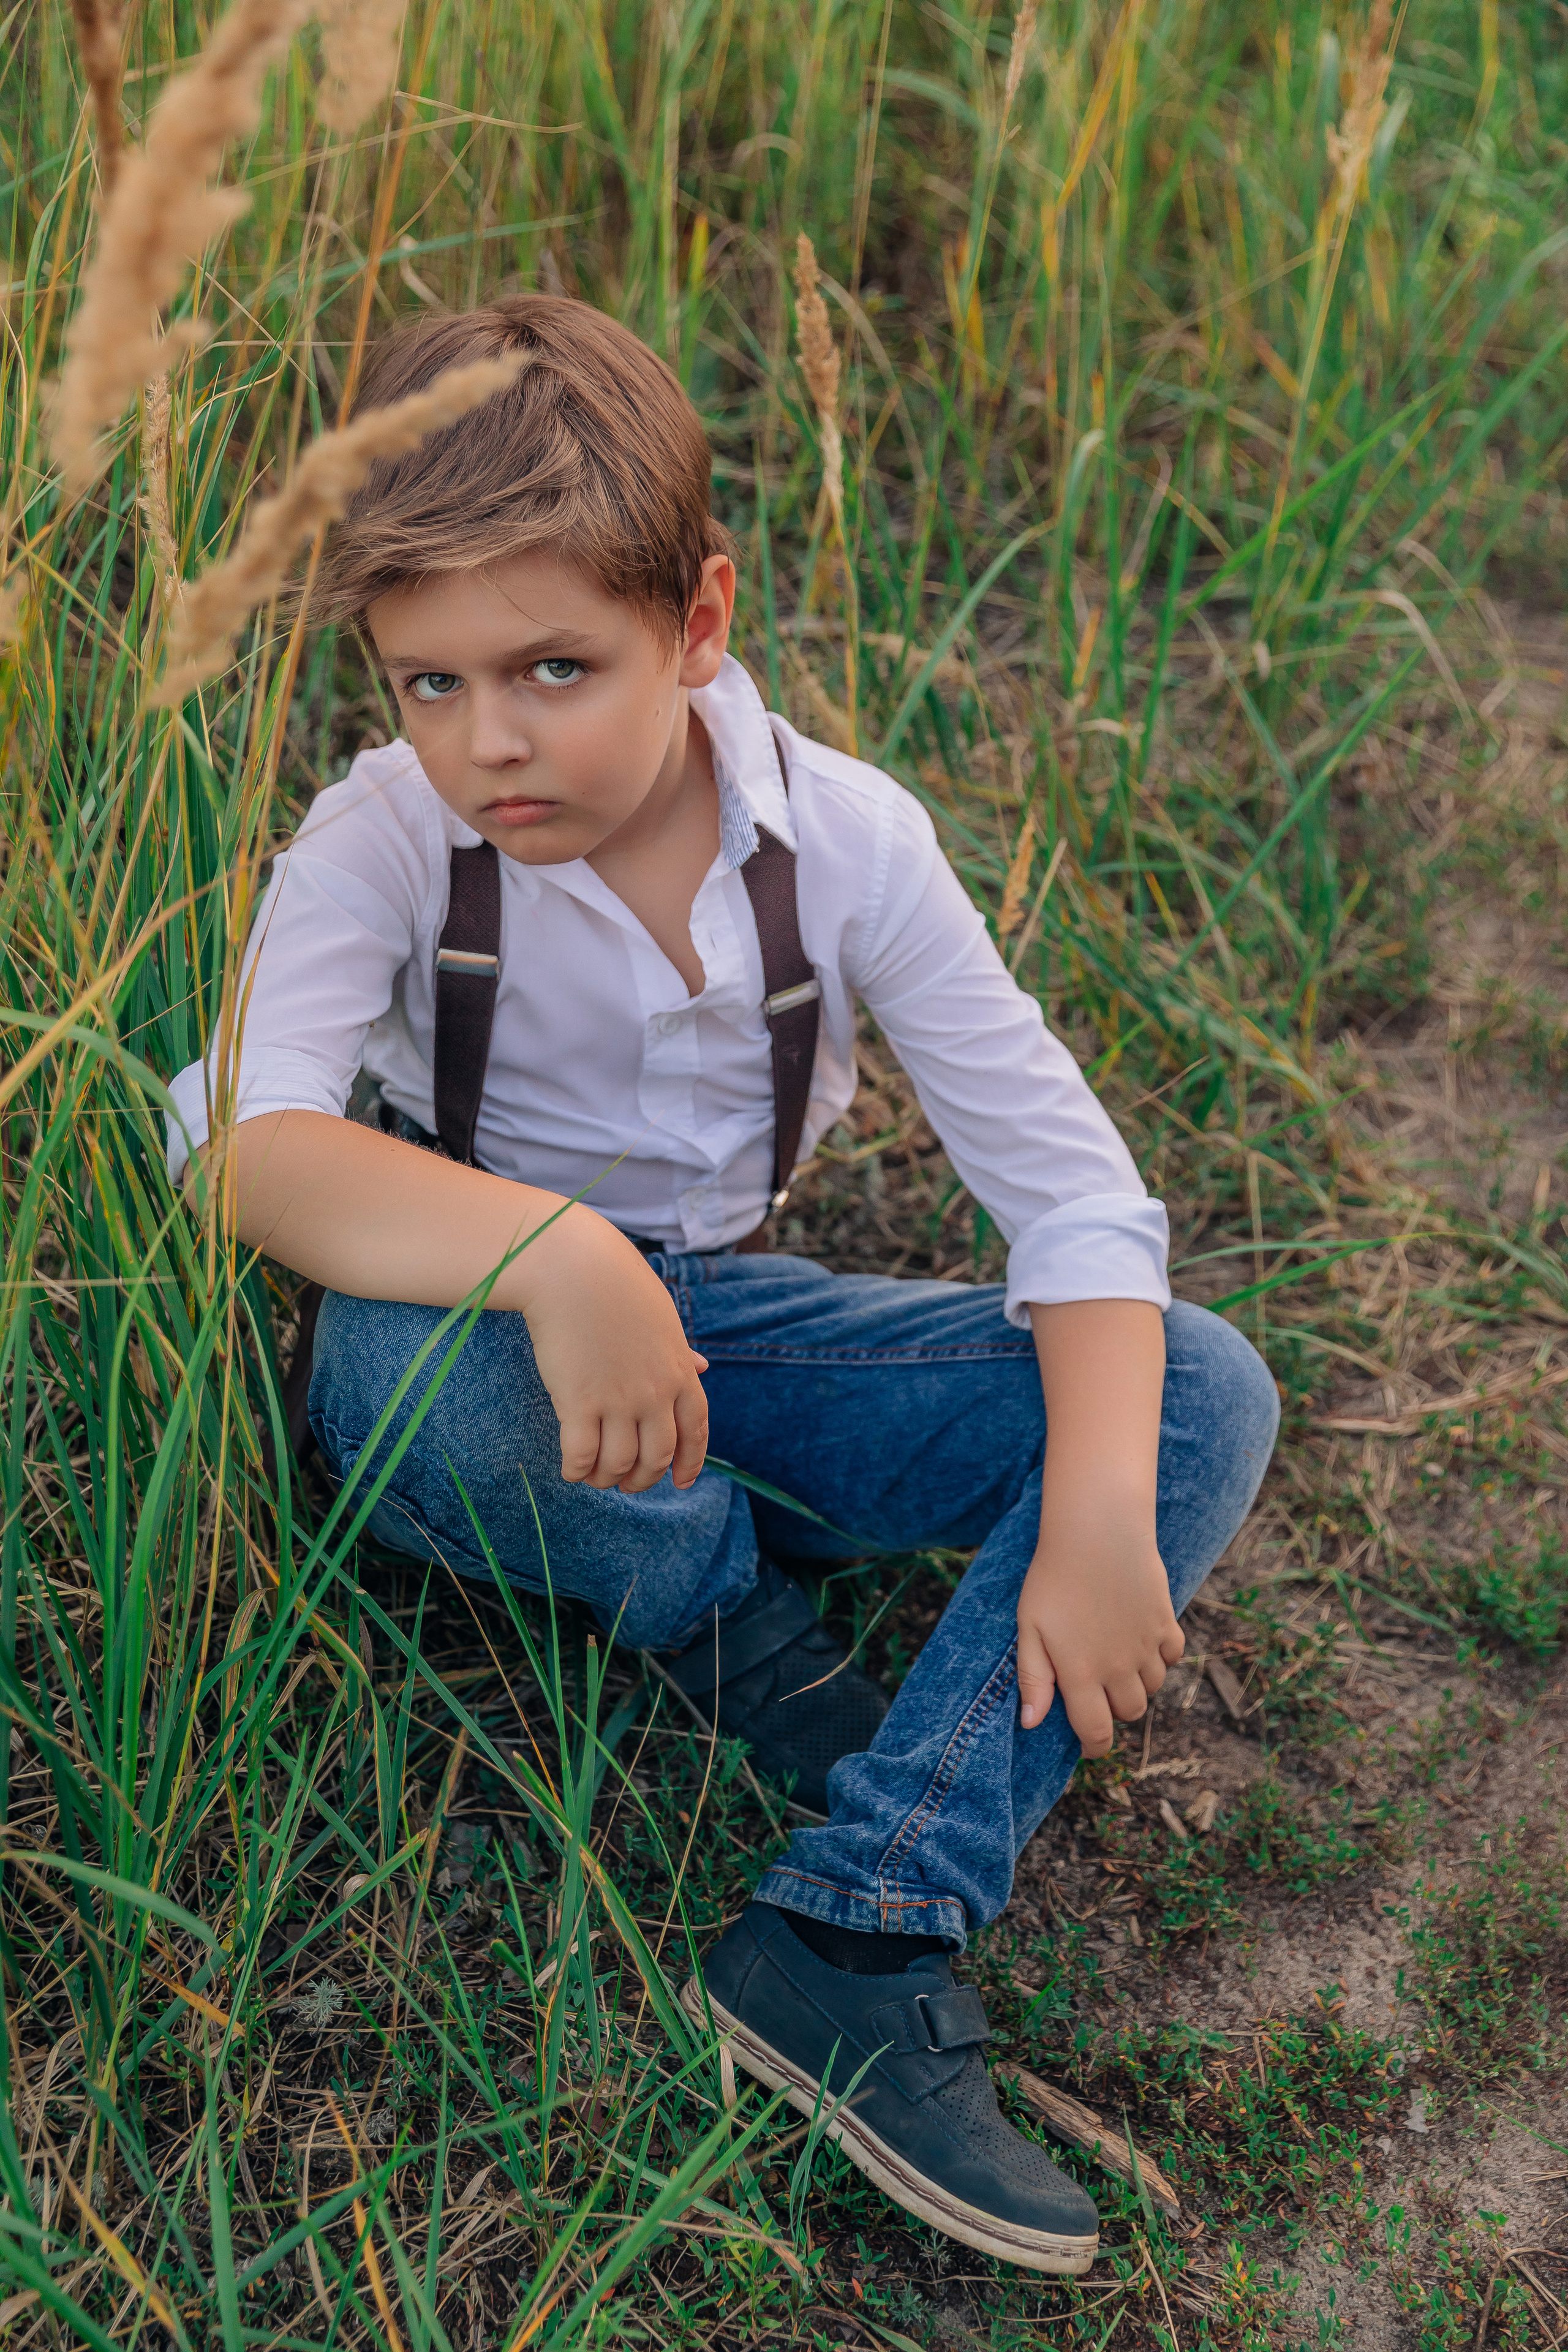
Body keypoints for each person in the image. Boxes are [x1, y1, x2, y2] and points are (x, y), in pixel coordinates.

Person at [170, 293, 1279, 2275]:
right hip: (475, 1343)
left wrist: (1104, 1500)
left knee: (1198, 1392)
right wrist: (551, 1250)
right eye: (426, 684)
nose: (486, 740)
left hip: (727, 1340)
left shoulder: (845, 845)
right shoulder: (388, 842)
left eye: (552, 668)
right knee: (422, 1369)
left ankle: (862, 1916)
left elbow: (1075, 1195)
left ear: (698, 623)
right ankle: (721, 1613)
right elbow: (245, 1142)